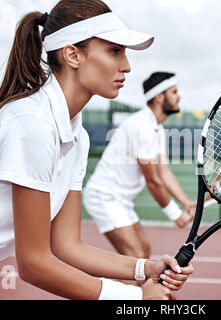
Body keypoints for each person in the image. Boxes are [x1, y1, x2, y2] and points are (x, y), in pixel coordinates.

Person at [0, 0, 193, 300]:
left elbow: (66, 245)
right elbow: (33, 264)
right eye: (114, 50)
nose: (127, 65)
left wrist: (143, 268)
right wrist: (134, 297)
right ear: (73, 55)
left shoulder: (76, 137)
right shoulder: (32, 124)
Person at [84, 71, 196, 259]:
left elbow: (163, 171)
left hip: (121, 201)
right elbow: (153, 180)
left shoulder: (156, 128)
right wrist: (176, 215)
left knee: (143, 253)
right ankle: (107, 289)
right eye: (174, 92)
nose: (179, 96)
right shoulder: (142, 127)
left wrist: (186, 203)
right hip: (104, 197)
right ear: (160, 98)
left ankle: (128, 289)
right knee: (135, 257)